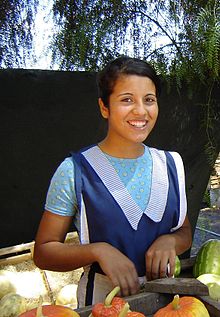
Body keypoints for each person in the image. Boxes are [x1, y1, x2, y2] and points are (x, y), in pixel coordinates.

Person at [33, 56, 192, 307]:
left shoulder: (171, 165)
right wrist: (98, 250)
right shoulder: (75, 171)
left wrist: (170, 241)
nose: (141, 111)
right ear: (104, 107)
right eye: (127, 99)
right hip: (101, 304)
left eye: (149, 100)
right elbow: (44, 252)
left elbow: (184, 232)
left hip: (165, 302)